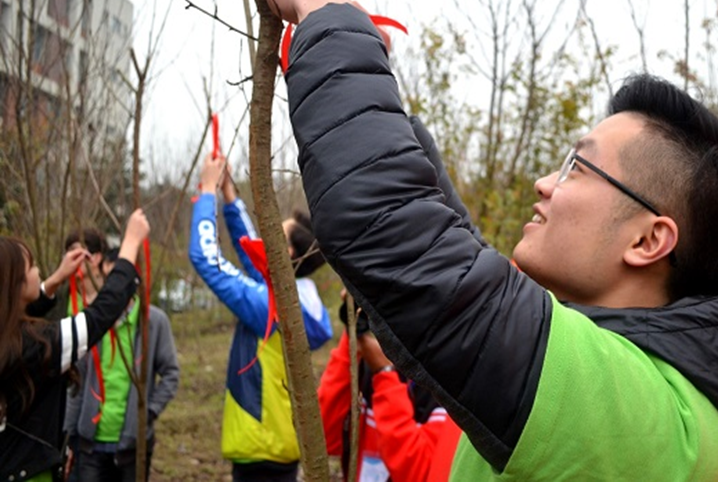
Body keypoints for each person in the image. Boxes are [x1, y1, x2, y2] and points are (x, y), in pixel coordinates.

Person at [262, 0, 718, 481]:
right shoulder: (624, 371)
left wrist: (324, 8)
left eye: (576, 168)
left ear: (647, 240)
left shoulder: (646, 422)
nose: (544, 184)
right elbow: (454, 254)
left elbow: (402, 239)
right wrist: (363, 70)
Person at [189, 155, 333, 482]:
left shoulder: (272, 306)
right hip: (278, 441)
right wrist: (230, 196)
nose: (265, 237)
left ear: (287, 253)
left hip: (259, 445)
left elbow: (207, 260)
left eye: (274, 234)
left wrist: (207, 191)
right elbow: (253, 251)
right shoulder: (295, 299)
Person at [0, 209, 149, 482]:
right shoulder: (36, 346)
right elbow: (99, 316)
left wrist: (55, 280)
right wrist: (130, 245)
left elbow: (17, 310)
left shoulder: (8, 337)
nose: (38, 271)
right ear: (15, 285)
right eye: (32, 267)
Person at [63, 242, 180, 482]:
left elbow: (171, 373)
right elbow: (77, 381)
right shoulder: (92, 321)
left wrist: (148, 413)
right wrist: (68, 434)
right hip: (90, 443)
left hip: (133, 444)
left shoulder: (153, 322)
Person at [318, 294, 456, 482]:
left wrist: (385, 375)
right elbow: (323, 437)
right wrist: (354, 334)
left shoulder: (449, 388)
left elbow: (419, 474)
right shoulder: (370, 360)